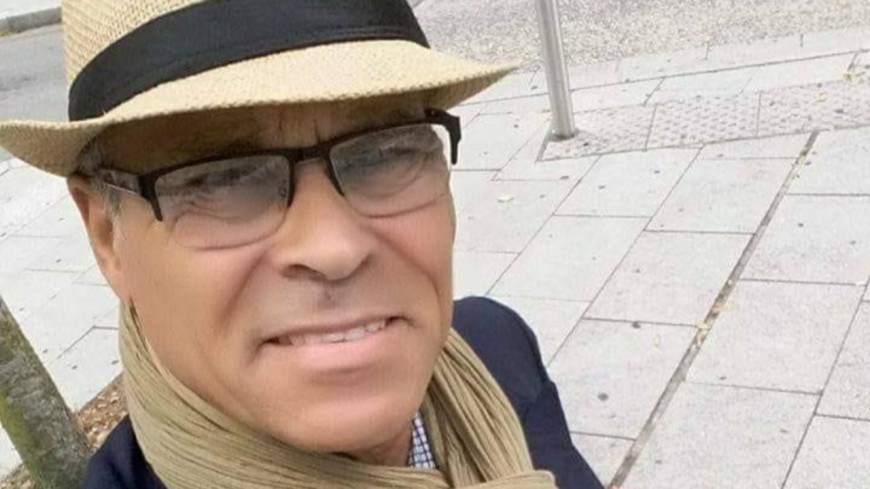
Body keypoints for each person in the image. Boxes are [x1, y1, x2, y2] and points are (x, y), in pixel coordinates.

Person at [0, 1, 603, 487]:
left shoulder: (499, 352)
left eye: (386, 151)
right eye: (222, 179)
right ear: (108, 237)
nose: (333, 248)